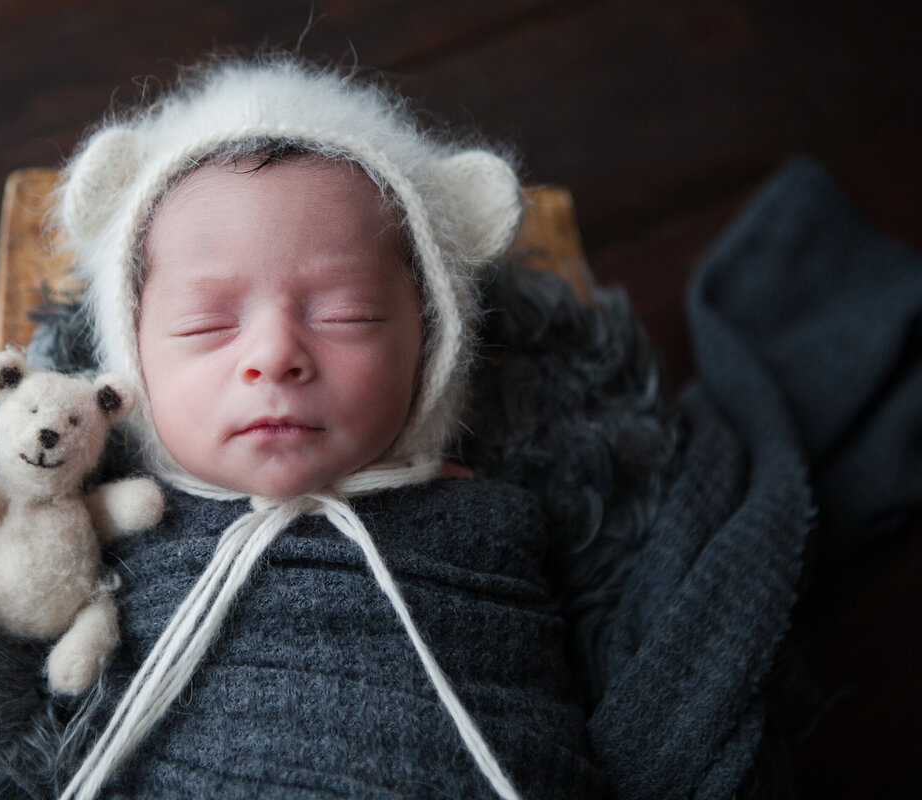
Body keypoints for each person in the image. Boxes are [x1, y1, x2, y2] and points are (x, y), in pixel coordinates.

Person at [52, 55, 604, 800]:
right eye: (207, 322)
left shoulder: (484, 521)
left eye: (348, 314)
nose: (275, 356)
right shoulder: (112, 526)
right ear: (132, 361)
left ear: (431, 344)